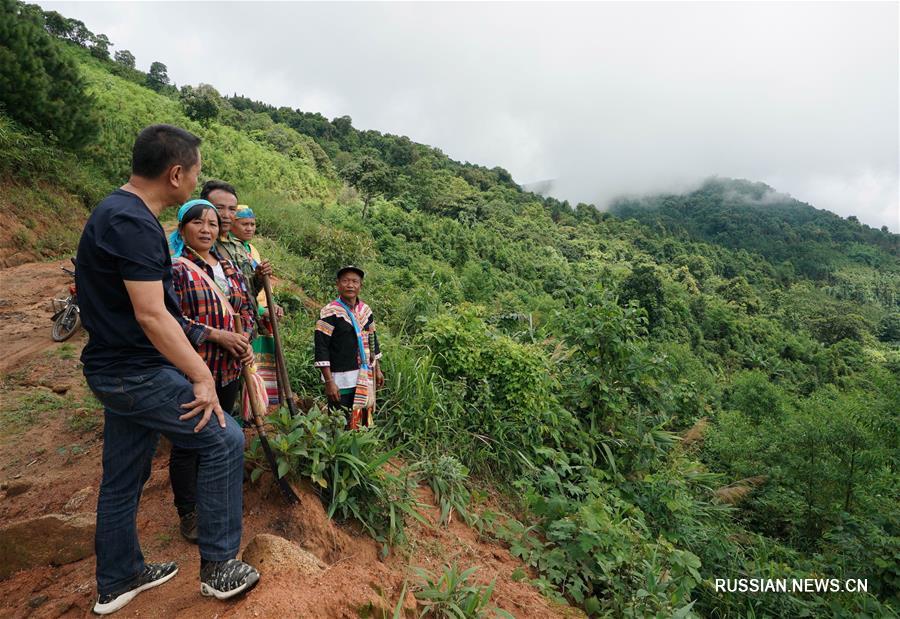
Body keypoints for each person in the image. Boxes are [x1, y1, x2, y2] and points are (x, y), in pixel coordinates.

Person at [75, 124, 259, 615]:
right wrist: (200, 375)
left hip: (114, 370)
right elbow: (152, 314)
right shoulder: (134, 223)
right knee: (225, 439)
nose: (196, 182)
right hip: (135, 372)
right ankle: (220, 567)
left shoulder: (116, 211)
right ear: (175, 173)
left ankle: (119, 578)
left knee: (123, 478)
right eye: (195, 173)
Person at [167, 199, 257, 542]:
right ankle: (188, 512)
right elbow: (171, 319)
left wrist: (243, 338)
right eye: (198, 223)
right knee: (189, 439)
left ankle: (213, 500)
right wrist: (216, 335)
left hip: (229, 368)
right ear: (183, 227)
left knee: (221, 430)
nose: (206, 230)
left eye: (213, 224)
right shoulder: (175, 267)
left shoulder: (228, 264)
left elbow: (245, 308)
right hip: (194, 368)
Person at [314, 266, 384, 429]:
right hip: (340, 379)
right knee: (340, 421)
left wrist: (377, 369)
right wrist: (329, 381)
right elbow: (322, 347)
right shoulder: (329, 312)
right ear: (338, 285)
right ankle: (338, 452)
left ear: (361, 285)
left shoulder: (365, 311)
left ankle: (358, 450)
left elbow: (372, 338)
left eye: (354, 281)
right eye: (345, 281)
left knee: (362, 419)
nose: (350, 285)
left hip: (364, 375)